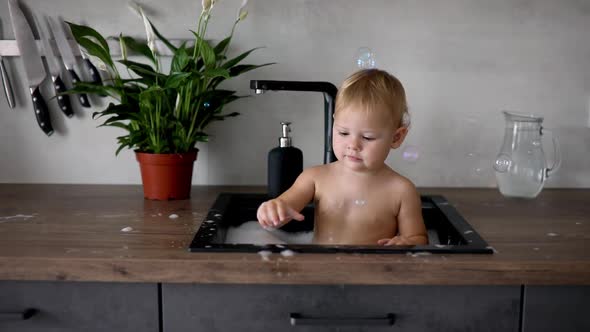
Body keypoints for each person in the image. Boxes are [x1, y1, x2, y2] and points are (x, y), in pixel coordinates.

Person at [256, 69, 428, 246]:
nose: (353, 145)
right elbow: (285, 207)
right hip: (322, 268)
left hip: (373, 270)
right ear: (333, 124)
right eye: (343, 132)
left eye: (367, 137)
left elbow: (418, 239)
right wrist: (273, 210)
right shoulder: (315, 178)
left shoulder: (401, 191)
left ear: (396, 137)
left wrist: (405, 243)